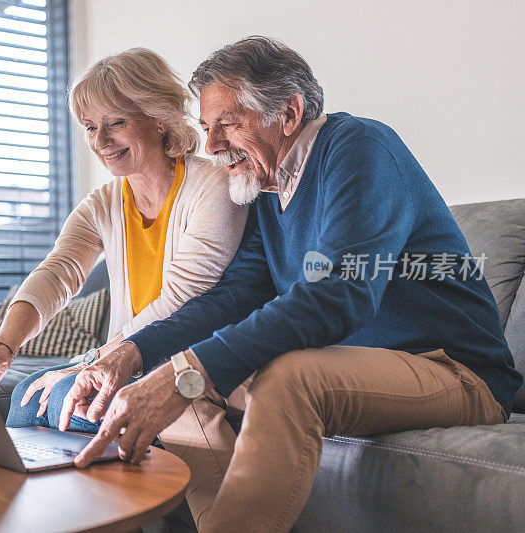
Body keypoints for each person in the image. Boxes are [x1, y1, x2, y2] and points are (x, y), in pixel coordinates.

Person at [58, 36, 522, 532]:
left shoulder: (359, 148)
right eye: (206, 128)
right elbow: (234, 297)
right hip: (361, 366)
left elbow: (340, 291)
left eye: (229, 124)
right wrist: (129, 354)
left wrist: (186, 371)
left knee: (283, 378)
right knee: (177, 375)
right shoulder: (265, 189)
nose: (212, 146)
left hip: (454, 372)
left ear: (289, 113)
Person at [0, 48, 247, 432]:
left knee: (68, 399)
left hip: (182, 359)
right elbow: (58, 271)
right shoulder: (104, 203)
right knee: (27, 396)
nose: (100, 140)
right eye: (89, 126)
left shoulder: (213, 185)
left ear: (158, 119)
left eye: (115, 122)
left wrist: (86, 363)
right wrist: (3, 347)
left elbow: (182, 299)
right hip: (125, 357)